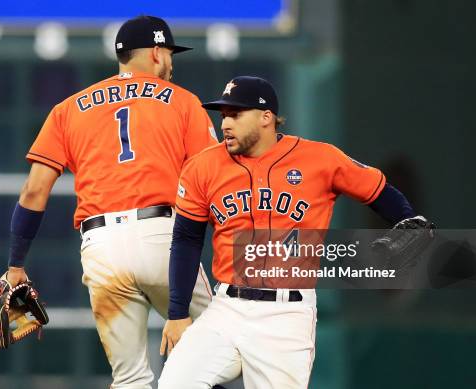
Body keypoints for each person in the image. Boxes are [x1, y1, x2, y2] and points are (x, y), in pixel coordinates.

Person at [157, 76, 432, 388]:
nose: (225, 124)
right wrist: (177, 312)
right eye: (223, 116)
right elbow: (186, 240)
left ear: (266, 117)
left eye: (235, 114)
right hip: (227, 308)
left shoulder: (320, 159)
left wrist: (410, 222)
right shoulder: (203, 166)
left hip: (285, 315)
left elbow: (377, 190)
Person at [0, 15, 218, 389]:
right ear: (155, 52)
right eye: (168, 53)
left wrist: (16, 266)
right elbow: (215, 177)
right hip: (162, 238)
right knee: (222, 353)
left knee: (129, 379)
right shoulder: (182, 101)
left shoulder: (68, 108)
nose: (171, 62)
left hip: (100, 248)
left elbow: (34, 192)